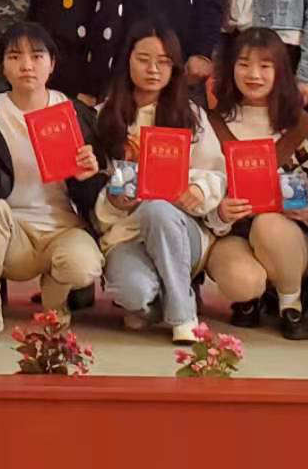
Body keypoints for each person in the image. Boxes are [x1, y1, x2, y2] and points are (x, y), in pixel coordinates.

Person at [0, 23, 104, 343]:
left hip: (62, 228)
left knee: (84, 265)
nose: (26, 65)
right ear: (2, 66)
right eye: (14, 56)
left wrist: (89, 176)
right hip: (10, 232)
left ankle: (56, 302)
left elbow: (96, 195)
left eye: (37, 56)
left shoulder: (76, 113)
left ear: (52, 63)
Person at [92, 22, 223, 344]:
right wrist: (112, 201)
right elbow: (89, 183)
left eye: (163, 62)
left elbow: (216, 172)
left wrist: (199, 189)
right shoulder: (102, 116)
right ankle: (156, 298)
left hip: (178, 227)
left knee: (157, 209)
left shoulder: (190, 115)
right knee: (133, 293)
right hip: (125, 231)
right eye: (143, 59)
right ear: (127, 59)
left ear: (174, 68)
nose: (153, 69)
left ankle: (182, 314)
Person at [204, 27, 308, 341]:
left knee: (269, 224)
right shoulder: (210, 125)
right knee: (243, 280)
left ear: (281, 72)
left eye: (265, 65)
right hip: (232, 234)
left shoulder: (305, 128)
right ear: (230, 68)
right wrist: (219, 212)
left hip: (289, 237)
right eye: (244, 64)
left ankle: (291, 304)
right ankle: (250, 299)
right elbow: (196, 189)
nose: (254, 75)